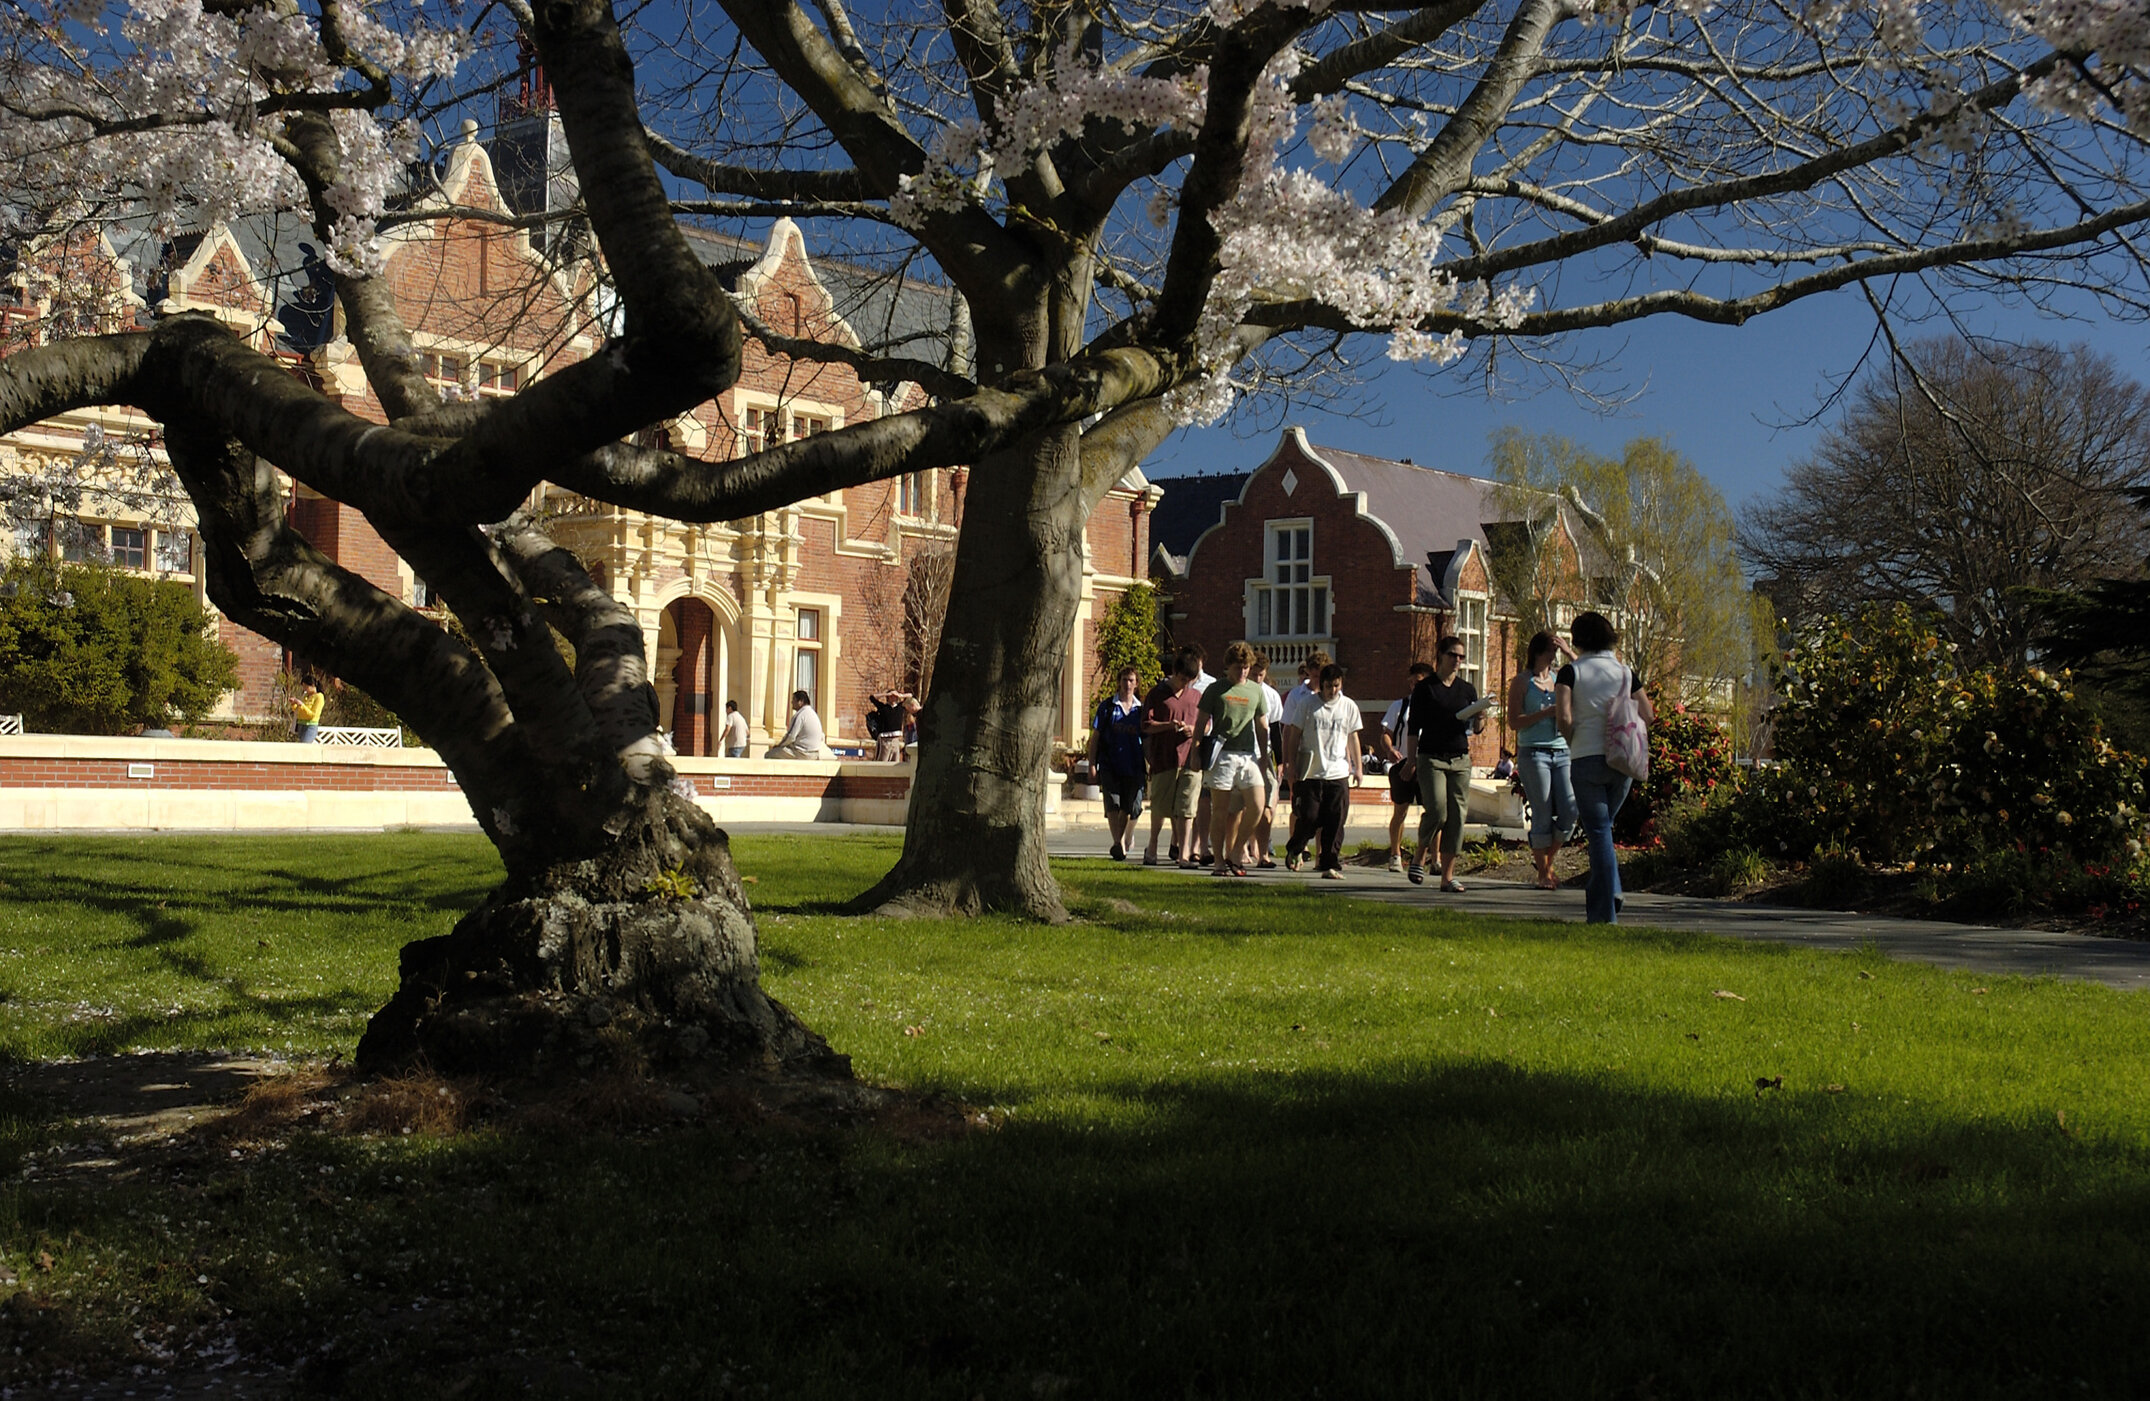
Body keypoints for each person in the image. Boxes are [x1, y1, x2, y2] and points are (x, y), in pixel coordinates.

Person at [1557, 610, 1655, 924]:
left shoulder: (1570, 672)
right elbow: (1648, 714)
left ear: (1578, 639)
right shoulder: (1625, 673)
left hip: (1586, 757)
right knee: (1604, 829)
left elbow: (1564, 716)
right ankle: (1610, 890)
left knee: (1598, 830)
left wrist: (1573, 739)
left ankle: (1606, 908)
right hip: (1622, 760)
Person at [1403, 637, 1483, 891]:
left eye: (1461, 656)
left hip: (1460, 758)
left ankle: (1447, 877)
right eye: (1453, 655)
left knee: (1457, 817)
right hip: (1432, 757)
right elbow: (1413, 728)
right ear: (1440, 655)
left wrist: (1481, 715)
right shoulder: (1425, 689)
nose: (1457, 660)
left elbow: (1477, 729)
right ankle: (1420, 854)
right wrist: (1411, 760)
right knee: (1438, 811)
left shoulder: (1467, 690)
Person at [1191, 642, 1270, 877]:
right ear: (1228, 667)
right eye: (1238, 668)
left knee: (1257, 805)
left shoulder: (1256, 691)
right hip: (1222, 754)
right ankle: (1218, 860)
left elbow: (1262, 725)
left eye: (1246, 668)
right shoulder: (1216, 689)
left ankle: (1236, 851)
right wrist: (1195, 752)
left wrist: (1265, 756)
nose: (1242, 672)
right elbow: (1200, 723)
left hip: (1248, 755)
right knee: (1220, 810)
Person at [1506, 630, 1578, 891]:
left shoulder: (1560, 678)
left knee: (1570, 809)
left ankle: (1546, 861)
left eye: (1557, 651)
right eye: (1551, 650)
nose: (1554, 655)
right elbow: (1514, 722)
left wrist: (1570, 652)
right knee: (1543, 812)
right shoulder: (1522, 682)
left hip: (1562, 751)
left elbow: (1586, 674)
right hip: (1534, 752)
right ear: (1538, 652)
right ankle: (1543, 874)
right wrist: (1546, 713)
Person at [1282, 663, 1363, 879]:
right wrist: (1291, 765)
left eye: (1336, 686)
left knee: (1335, 820)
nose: (1332, 691)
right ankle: (1296, 847)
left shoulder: (1348, 706)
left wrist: (1358, 768)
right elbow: (1294, 735)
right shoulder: (1307, 704)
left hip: (1338, 773)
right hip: (1311, 773)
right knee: (1309, 817)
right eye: (1328, 686)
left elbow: (1353, 737)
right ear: (1322, 685)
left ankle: (1329, 863)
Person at [1139, 655, 1203, 866]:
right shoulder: (1157, 694)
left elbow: (1207, 724)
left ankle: (1184, 853)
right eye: (1183, 679)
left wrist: (1194, 729)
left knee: (1186, 808)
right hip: (1164, 760)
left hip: (1190, 761)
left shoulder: (1196, 696)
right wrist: (1169, 726)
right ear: (1175, 672)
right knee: (1160, 807)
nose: (1185, 684)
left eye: (1190, 680)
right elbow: (1146, 725)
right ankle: (1152, 846)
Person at [1374, 662, 1433, 872]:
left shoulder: (1435, 707)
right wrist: (1390, 750)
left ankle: (1435, 858)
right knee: (1400, 811)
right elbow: (1386, 734)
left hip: (1428, 765)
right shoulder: (1400, 706)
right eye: (1411, 682)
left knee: (1434, 812)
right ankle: (1395, 854)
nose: (1414, 686)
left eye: (1418, 682)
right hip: (1403, 764)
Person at [1091, 667, 1148, 860]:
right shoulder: (1108, 707)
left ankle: (1124, 837)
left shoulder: (1140, 710)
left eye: (1131, 680)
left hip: (1134, 765)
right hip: (1110, 764)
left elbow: (1147, 740)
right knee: (1113, 804)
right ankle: (1117, 843)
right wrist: (1092, 764)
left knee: (1131, 807)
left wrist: (1151, 763)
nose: (1127, 684)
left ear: (1136, 683)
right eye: (1124, 680)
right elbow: (1095, 737)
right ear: (1119, 682)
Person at [1244, 652, 1285, 869]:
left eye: (1261, 675)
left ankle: (1263, 853)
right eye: (1254, 674)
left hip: (1265, 755)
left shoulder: (1271, 696)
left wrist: (1281, 761)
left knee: (1267, 804)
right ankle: (1241, 848)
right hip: (1244, 752)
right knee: (1242, 804)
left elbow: (1276, 730)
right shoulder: (1240, 692)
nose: (1258, 678)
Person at [766, 690, 829, 758]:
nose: (792, 702)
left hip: (801, 753)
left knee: (769, 754)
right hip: (814, 753)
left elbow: (790, 737)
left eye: (794, 699)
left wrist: (779, 746)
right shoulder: (813, 714)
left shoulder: (800, 715)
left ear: (800, 701)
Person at [867, 691, 916, 762]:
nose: (893, 698)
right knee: (883, 761)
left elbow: (911, 696)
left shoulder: (900, 707)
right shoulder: (883, 707)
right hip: (885, 740)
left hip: (896, 740)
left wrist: (900, 695)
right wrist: (886, 694)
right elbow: (872, 697)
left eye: (895, 696)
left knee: (895, 762)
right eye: (891, 696)